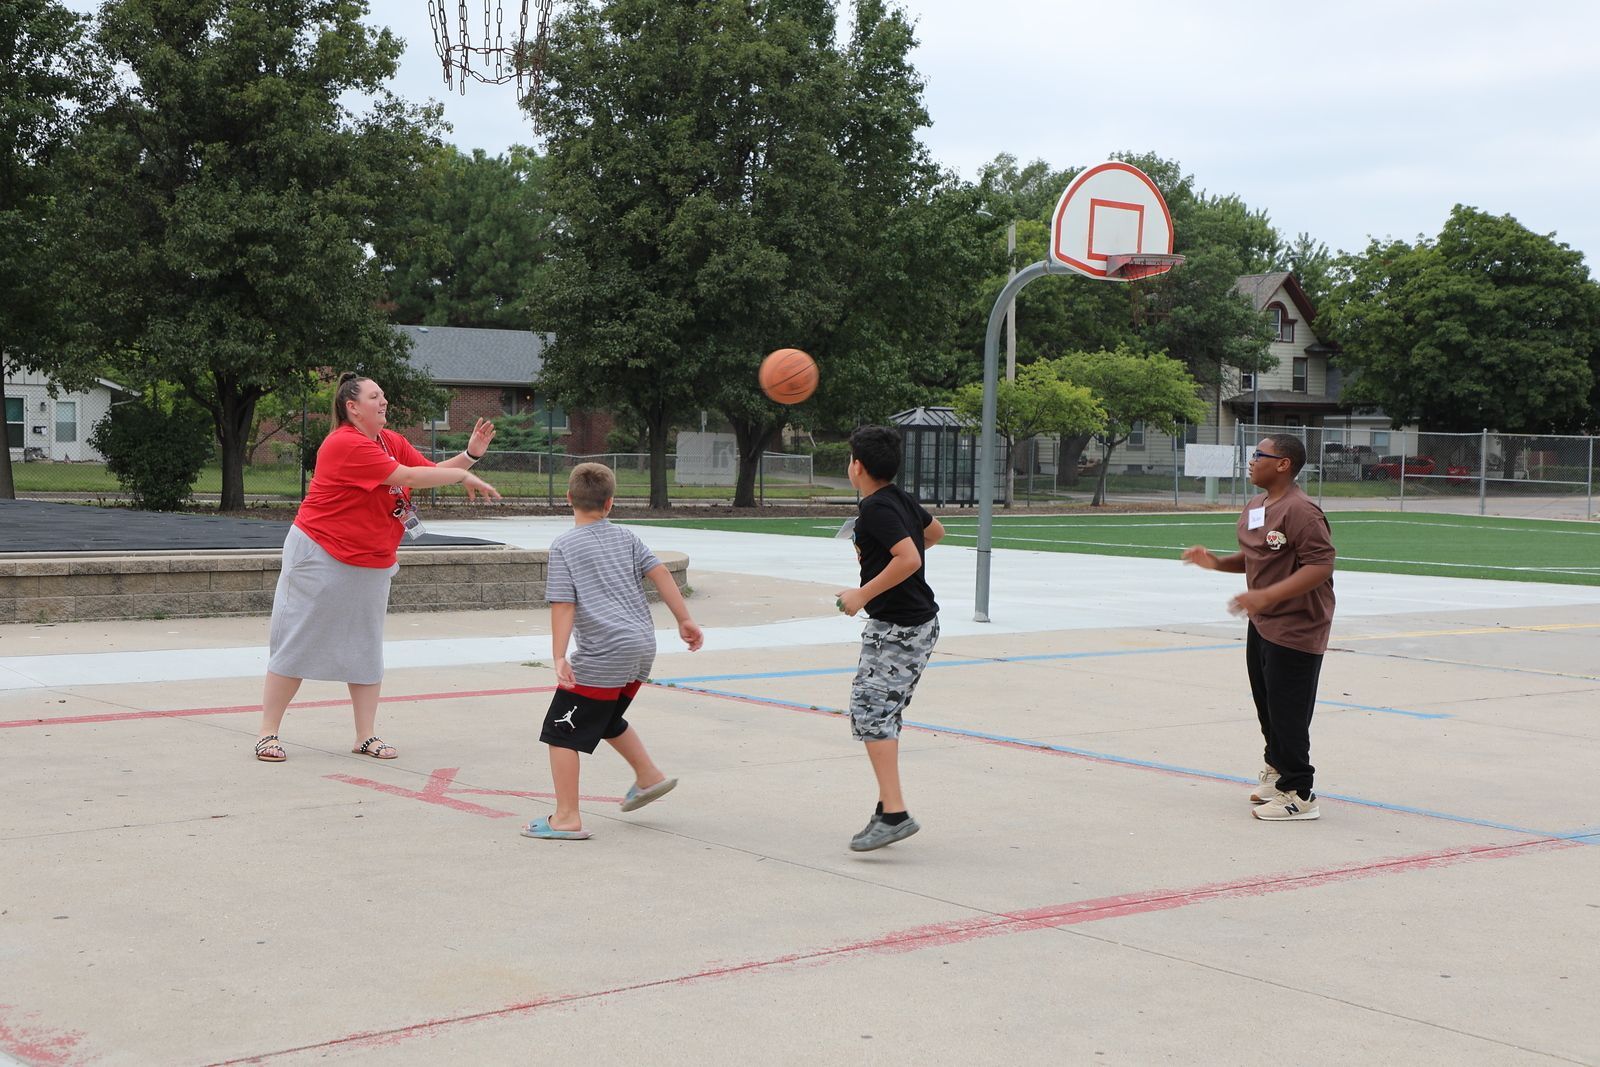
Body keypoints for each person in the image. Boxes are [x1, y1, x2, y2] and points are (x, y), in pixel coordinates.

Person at [253, 373, 501, 763]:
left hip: (372, 557)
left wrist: (469, 457)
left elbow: (428, 472)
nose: (383, 401)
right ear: (352, 407)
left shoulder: (390, 441)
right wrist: (462, 473)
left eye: (383, 395)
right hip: (320, 553)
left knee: (365, 646)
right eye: (374, 396)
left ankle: (364, 736)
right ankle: (268, 733)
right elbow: (405, 477)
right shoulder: (344, 444)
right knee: (298, 640)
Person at [521, 462, 703, 841]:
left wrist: (559, 656)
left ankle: (567, 817)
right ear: (610, 504)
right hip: (641, 647)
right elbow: (661, 574)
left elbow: (563, 605)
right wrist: (684, 619)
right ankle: (649, 777)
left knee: (560, 733)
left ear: (569, 498)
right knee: (604, 718)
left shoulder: (565, 546)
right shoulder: (627, 537)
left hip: (605, 650)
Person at [1182, 433, 1336, 821]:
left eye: (1258, 455)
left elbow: (1320, 566)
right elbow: (1256, 556)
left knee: (1289, 709)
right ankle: (1277, 767)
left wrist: (1268, 596)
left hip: (1298, 625)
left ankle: (1299, 792)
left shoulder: (1302, 510)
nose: (1251, 461)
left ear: (1283, 464)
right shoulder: (1258, 505)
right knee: (1268, 705)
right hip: (1264, 622)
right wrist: (1216, 563)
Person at [835, 425, 945, 852]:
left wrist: (863, 592)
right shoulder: (898, 499)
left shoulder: (876, 510)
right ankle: (887, 807)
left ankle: (895, 813)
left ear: (857, 466)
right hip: (913, 623)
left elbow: (912, 555)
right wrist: (889, 567)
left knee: (871, 712)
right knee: (880, 712)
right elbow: (934, 533)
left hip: (899, 628)